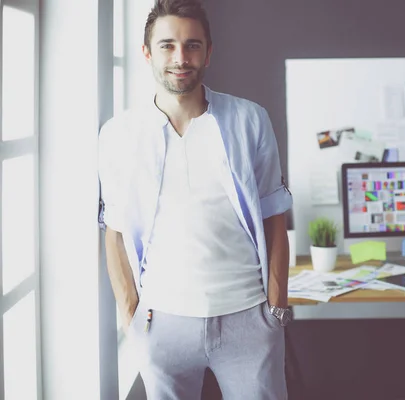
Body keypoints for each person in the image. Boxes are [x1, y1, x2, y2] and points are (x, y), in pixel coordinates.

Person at [97, 0, 293, 398]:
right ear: (147, 52)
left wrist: (275, 307)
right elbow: (114, 229)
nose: (180, 57)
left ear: (208, 52)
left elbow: (275, 216)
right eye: (167, 45)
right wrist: (129, 313)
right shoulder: (118, 134)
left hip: (248, 317)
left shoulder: (249, 119)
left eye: (192, 45)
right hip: (161, 323)